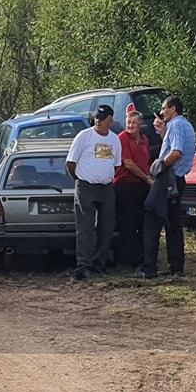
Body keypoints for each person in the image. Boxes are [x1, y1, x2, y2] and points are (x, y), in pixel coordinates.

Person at [141, 95, 196, 278]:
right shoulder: (183, 125)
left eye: (164, 108)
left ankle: (149, 268)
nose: (162, 111)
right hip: (178, 179)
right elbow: (174, 144)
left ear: (173, 109)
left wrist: (160, 166)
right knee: (173, 223)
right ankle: (176, 266)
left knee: (152, 219)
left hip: (169, 178)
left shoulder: (176, 125)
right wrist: (162, 133)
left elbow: (176, 151)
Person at [65, 105, 123, 282]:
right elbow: (70, 163)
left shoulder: (114, 140)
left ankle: (99, 264)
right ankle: (83, 267)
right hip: (86, 187)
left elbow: (116, 164)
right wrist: (80, 179)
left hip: (106, 188)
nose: (98, 121)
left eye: (102, 118)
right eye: (96, 117)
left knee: (105, 228)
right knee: (85, 229)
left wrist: (104, 176)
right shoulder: (84, 136)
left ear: (110, 120)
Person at [113, 107, 158, 269]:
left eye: (134, 122)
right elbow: (128, 163)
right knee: (127, 223)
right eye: (128, 122)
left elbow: (145, 160)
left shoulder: (144, 139)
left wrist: (149, 176)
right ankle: (127, 259)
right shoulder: (122, 138)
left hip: (141, 185)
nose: (130, 125)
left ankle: (138, 256)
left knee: (140, 221)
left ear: (140, 125)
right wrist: (146, 178)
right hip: (125, 186)